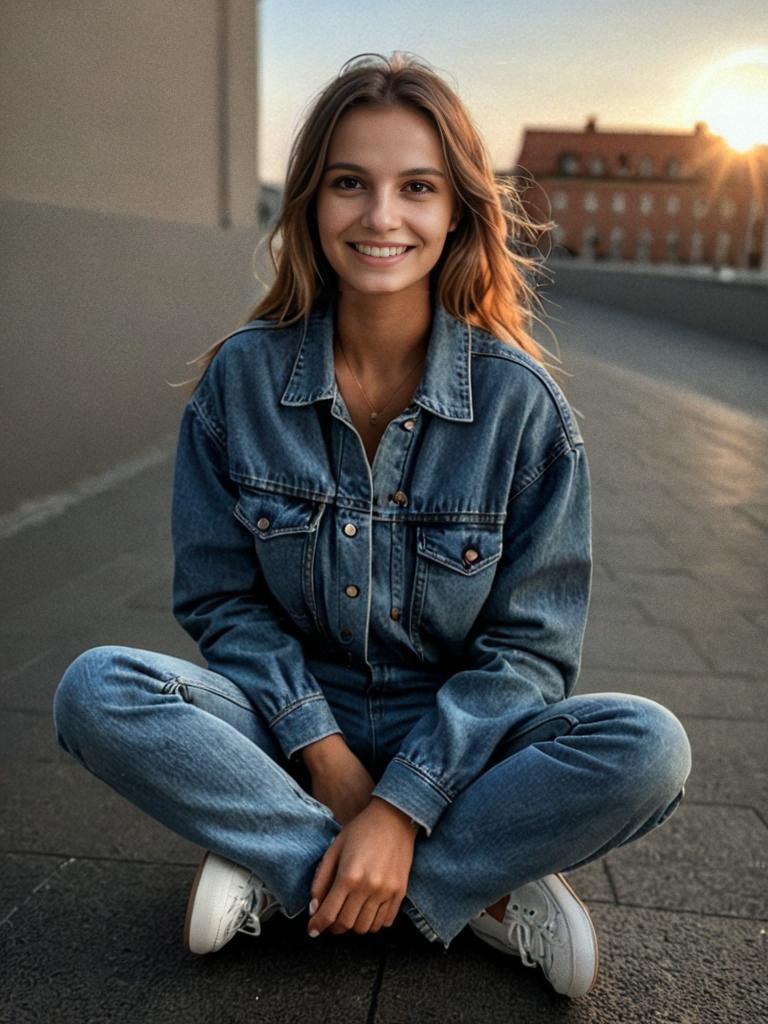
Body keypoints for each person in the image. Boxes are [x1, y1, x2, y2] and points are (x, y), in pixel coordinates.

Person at [52, 52, 692, 1000]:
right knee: (95, 689)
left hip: (464, 742)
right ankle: (472, 889)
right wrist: (330, 760)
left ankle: (296, 871)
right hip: (285, 725)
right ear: (312, 200)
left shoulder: (525, 411)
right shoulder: (239, 384)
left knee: (649, 749)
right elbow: (223, 601)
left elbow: (529, 652)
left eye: (417, 188)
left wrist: (404, 802)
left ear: (457, 212)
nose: (382, 217)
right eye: (351, 183)